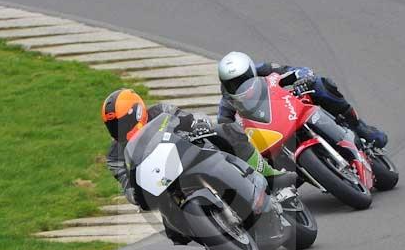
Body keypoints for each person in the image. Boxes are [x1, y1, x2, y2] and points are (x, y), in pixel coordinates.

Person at [101, 89, 297, 228]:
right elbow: (125, 180)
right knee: (173, 231)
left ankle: (267, 173)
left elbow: (186, 119)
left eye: (121, 122)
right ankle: (208, 231)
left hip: (189, 152)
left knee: (227, 131)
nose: (118, 128)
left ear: (136, 112)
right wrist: (134, 195)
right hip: (165, 182)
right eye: (113, 125)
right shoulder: (114, 154)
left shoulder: (159, 110)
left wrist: (199, 125)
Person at [216, 51, 388, 148]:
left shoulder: (264, 68)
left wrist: (302, 77)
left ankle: (357, 125)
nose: (240, 86)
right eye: (233, 83)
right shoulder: (227, 100)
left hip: (288, 106)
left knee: (321, 85)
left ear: (252, 71)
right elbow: (225, 126)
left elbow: (298, 70)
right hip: (269, 132)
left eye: (244, 78)